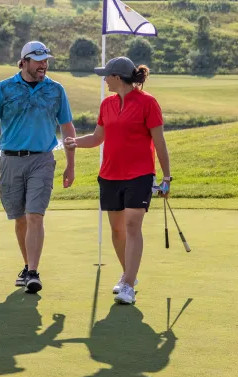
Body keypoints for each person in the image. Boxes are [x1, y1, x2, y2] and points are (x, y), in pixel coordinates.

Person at [64, 56, 171, 305]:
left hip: (140, 174)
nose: (104, 79)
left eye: (106, 75)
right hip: (109, 174)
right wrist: (75, 142)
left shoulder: (148, 103)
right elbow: (98, 137)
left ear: (117, 77)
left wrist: (166, 178)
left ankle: (129, 285)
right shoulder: (107, 104)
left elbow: (160, 142)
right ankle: (128, 275)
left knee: (133, 226)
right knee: (117, 230)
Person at [0, 41, 76, 294]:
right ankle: (26, 265)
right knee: (20, 218)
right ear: (24, 61)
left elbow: (67, 128)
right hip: (10, 160)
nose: (44, 65)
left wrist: (70, 164)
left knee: (34, 215)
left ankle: (33, 271)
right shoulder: (4, 88)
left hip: (42, 160)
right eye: (38, 60)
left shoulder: (56, 90)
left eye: (46, 60)